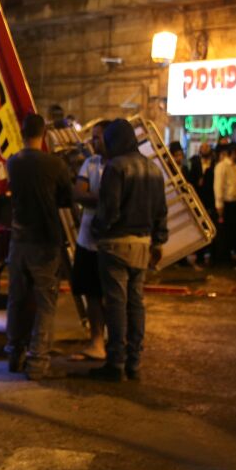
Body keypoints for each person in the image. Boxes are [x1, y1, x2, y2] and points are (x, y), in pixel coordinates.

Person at [79, 119, 168, 382]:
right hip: (143, 244)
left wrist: (97, 229)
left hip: (115, 245)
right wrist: (159, 241)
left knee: (116, 304)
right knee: (136, 303)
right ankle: (134, 362)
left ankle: (115, 363)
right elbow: (161, 211)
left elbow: (109, 210)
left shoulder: (116, 166)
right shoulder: (152, 168)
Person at [5, 114, 74, 380]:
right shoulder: (54, 164)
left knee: (17, 299)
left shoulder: (14, 162)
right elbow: (66, 198)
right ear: (44, 133)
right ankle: (37, 362)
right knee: (46, 302)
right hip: (45, 240)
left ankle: (14, 354)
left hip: (19, 240)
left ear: (22, 133)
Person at [69, 122, 108, 361]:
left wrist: (94, 198)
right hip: (88, 240)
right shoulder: (90, 163)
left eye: (99, 138)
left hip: (111, 242)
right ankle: (96, 341)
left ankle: (116, 342)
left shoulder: (119, 166)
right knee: (92, 294)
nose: (94, 142)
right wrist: (104, 199)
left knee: (114, 295)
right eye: (93, 138)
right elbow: (78, 193)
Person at [213, 143, 236, 263]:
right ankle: (221, 258)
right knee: (224, 232)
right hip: (226, 203)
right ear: (233, 152)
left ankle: (227, 256)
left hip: (235, 203)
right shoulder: (222, 166)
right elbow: (218, 186)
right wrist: (219, 205)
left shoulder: (235, 166)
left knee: (231, 231)